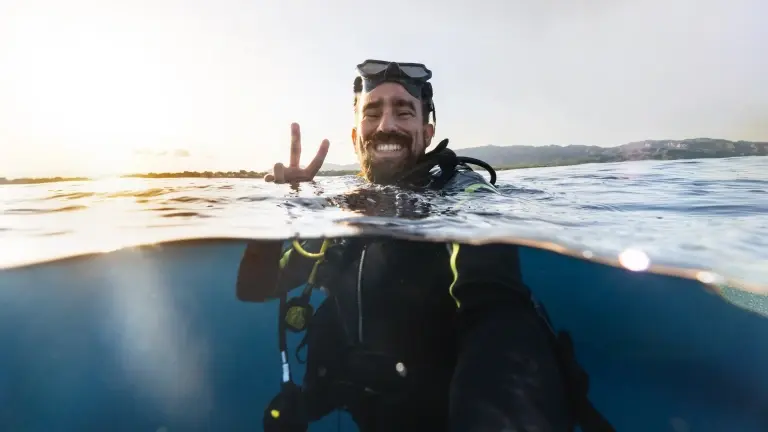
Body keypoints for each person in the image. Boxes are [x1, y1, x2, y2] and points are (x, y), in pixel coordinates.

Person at [237, 60, 613, 432]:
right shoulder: (338, 216)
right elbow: (254, 288)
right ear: (355, 136)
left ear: (427, 131)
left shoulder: (462, 192)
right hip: (367, 408)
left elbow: (496, 308)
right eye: (372, 113)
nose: (386, 125)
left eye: (403, 112)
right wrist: (281, 208)